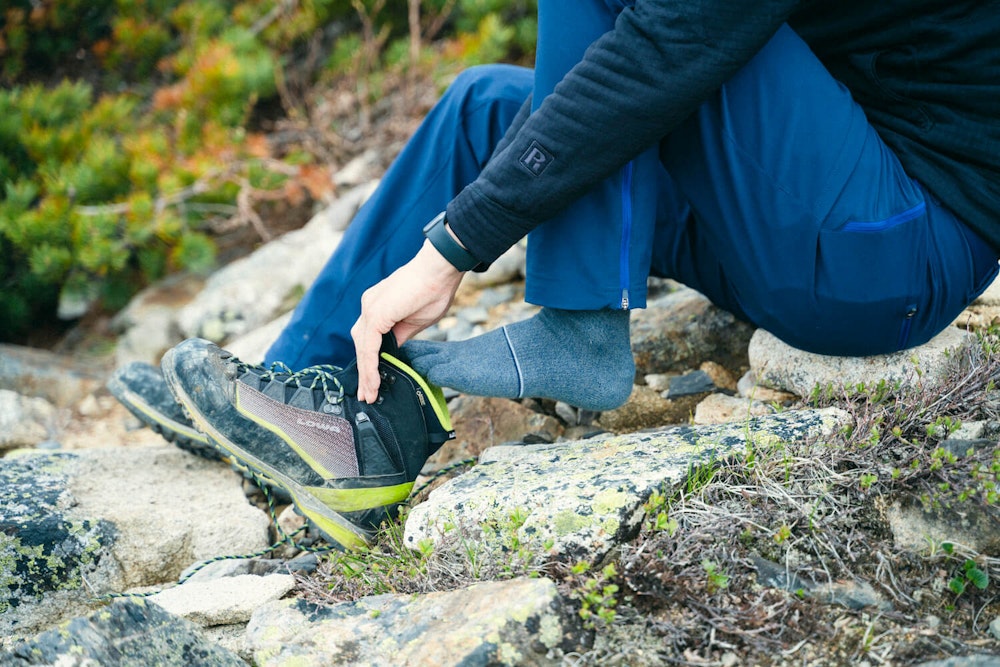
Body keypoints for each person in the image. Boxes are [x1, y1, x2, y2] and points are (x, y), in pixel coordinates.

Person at [114, 0, 1000, 551]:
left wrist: (452, 247)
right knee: (485, 111)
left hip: (893, 248)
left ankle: (580, 329)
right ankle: (327, 404)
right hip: (809, 219)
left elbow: (667, 46)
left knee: (640, 44)